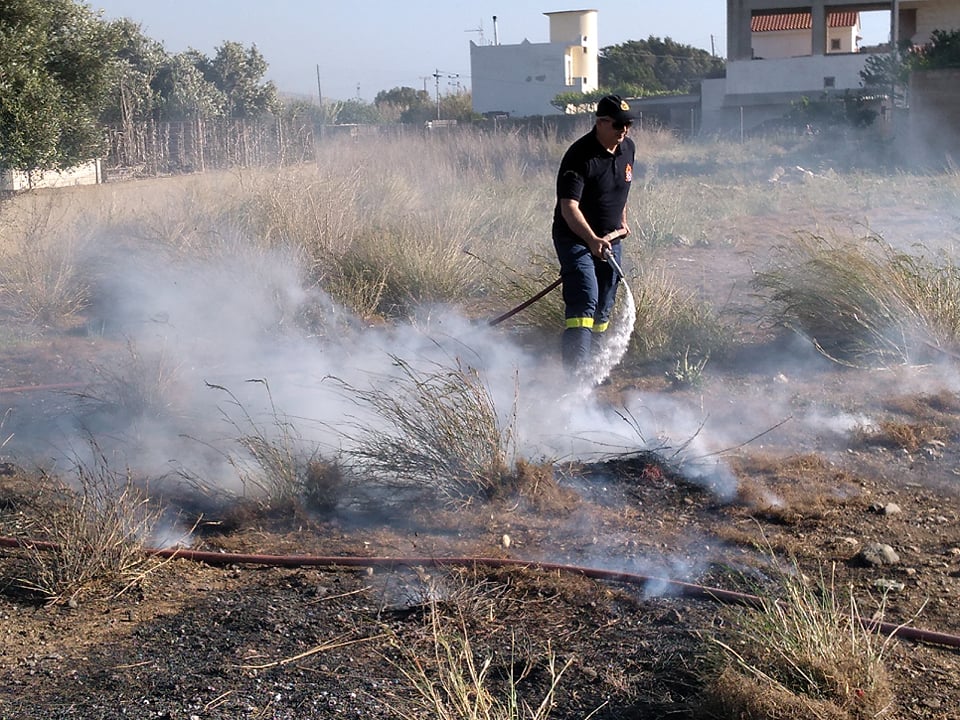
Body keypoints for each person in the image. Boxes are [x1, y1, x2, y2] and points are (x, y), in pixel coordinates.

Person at [552, 94, 637, 378]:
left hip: (610, 240)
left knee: (604, 303)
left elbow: (620, 189)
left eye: (628, 124)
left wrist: (622, 221)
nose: (624, 130)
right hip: (575, 238)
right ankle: (575, 378)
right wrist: (591, 240)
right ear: (600, 122)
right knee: (585, 298)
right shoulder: (580, 156)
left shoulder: (628, 149)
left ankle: (594, 372)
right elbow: (568, 207)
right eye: (618, 125)